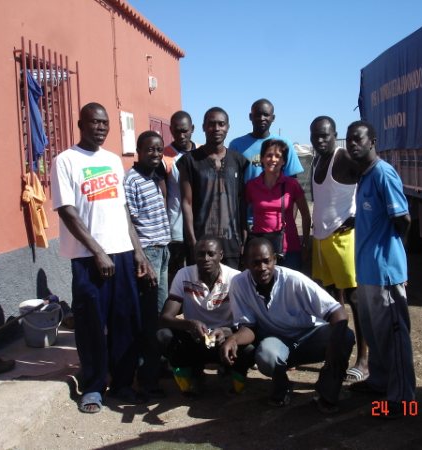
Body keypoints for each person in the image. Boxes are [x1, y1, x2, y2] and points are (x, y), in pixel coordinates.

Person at [50, 102, 155, 413]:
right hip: (87, 257)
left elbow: (123, 209)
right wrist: (97, 251)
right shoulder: (65, 161)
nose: (100, 128)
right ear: (80, 124)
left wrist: (138, 252)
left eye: (105, 123)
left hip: (122, 253)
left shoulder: (112, 161)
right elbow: (66, 210)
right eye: (94, 122)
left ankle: (122, 383)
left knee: (124, 321)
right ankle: (94, 387)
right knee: (91, 325)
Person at [221, 238, 355, 413]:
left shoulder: (294, 280)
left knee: (344, 336)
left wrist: (334, 346)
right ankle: (283, 386)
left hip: (310, 336)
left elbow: (337, 312)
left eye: (266, 261)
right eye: (255, 263)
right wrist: (233, 339)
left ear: (275, 260)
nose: (262, 267)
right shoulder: (239, 284)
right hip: (278, 341)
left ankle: (328, 391)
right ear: (245, 263)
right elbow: (248, 327)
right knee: (266, 355)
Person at [346, 120, 416, 419]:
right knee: (376, 335)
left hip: (385, 273)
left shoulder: (383, 173)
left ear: (373, 141)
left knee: (394, 338)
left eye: (358, 139)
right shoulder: (364, 176)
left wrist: (392, 254)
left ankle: (402, 398)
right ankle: (380, 382)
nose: (352, 144)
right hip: (367, 272)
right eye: (349, 139)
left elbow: (403, 220)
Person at [310, 116, 368, 383]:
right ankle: (339, 352)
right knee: (333, 301)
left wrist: (360, 215)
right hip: (322, 240)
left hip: (344, 240)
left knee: (355, 300)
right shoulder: (316, 160)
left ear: (335, 135)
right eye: (315, 136)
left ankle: (364, 360)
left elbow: (370, 174)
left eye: (325, 135)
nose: (320, 140)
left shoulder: (342, 157)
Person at [157, 236, 254, 396]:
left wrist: (227, 332)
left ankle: (232, 372)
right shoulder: (184, 275)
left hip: (224, 340)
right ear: (195, 256)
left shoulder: (235, 278)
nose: (206, 259)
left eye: (211, 254)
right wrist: (190, 325)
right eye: (201, 254)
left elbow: (246, 322)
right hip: (196, 339)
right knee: (163, 335)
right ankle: (193, 374)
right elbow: (165, 317)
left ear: (221, 255)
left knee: (250, 348)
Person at [125, 130, 171, 397]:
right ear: (139, 151)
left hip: (162, 250)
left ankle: (158, 365)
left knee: (162, 312)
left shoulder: (154, 177)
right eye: (150, 149)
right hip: (148, 254)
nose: (155, 154)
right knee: (148, 318)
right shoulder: (131, 180)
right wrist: (140, 255)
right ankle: (146, 379)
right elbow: (129, 222)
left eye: (159, 150)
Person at [177, 107, 249, 269]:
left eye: (221, 124)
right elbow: (186, 203)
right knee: (200, 285)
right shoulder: (190, 161)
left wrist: (244, 236)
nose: (216, 128)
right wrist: (192, 241)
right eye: (211, 124)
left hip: (231, 243)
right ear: (203, 127)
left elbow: (241, 200)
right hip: (201, 246)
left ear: (228, 127)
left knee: (232, 285)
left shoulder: (238, 161)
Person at [245, 139, 311, 271]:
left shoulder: (292, 185)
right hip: (261, 249)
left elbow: (305, 215)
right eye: (269, 155)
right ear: (262, 158)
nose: (273, 159)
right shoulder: (252, 186)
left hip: (289, 248)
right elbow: (241, 213)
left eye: (278, 156)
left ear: (284, 161)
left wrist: (305, 244)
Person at [229, 98, 304, 183]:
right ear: (250, 117)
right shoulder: (236, 145)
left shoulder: (285, 144)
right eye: (258, 115)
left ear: (273, 118)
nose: (262, 118)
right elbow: (231, 178)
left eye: (266, 115)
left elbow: (292, 178)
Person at [163, 111, 196, 286]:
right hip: (176, 228)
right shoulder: (164, 156)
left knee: (196, 270)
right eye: (177, 131)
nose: (181, 135)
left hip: (200, 225)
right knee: (175, 274)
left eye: (185, 131)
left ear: (192, 129)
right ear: (171, 130)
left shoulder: (202, 152)